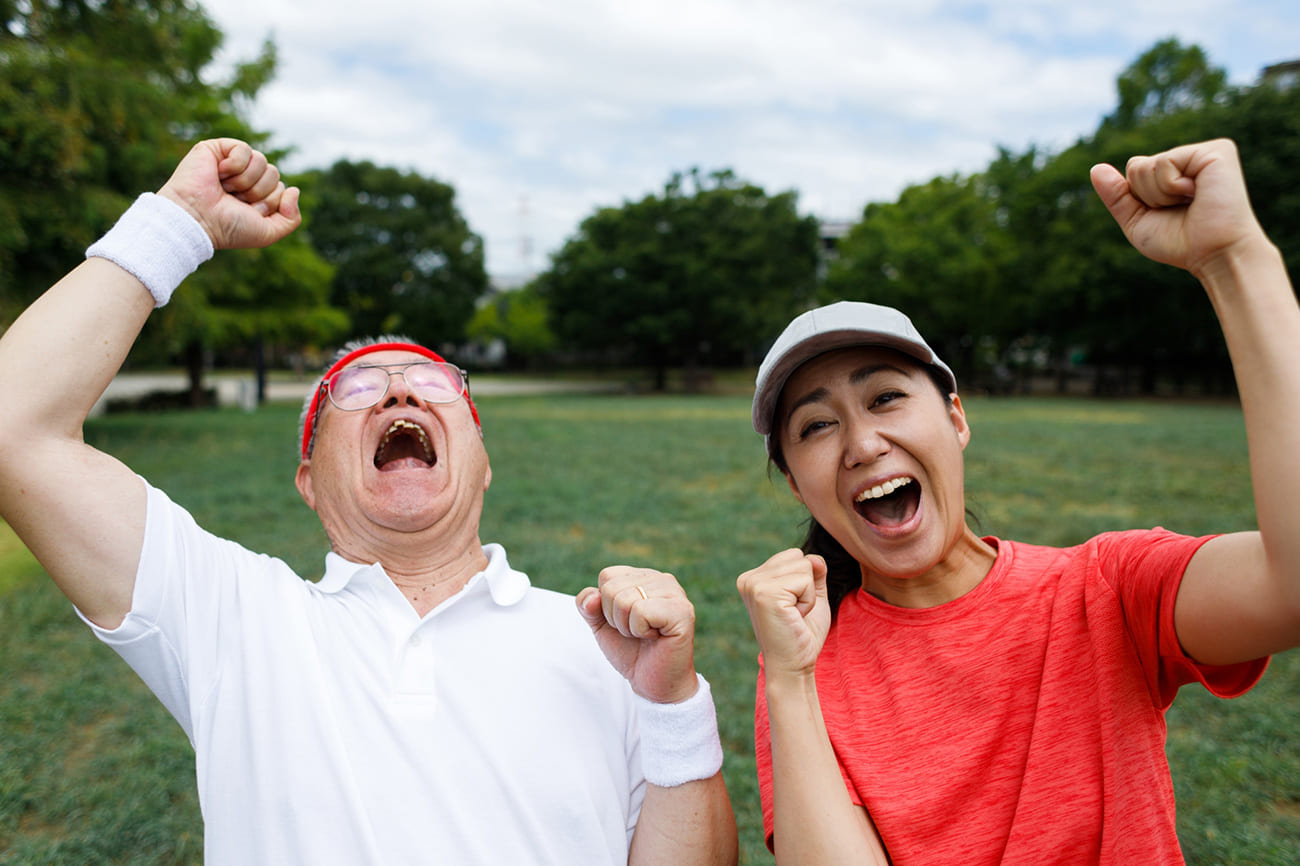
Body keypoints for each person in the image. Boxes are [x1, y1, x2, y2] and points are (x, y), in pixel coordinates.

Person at [0, 139, 737, 865]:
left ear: (483, 466)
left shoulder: (611, 649)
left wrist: (673, 705)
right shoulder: (230, 617)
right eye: (355, 387)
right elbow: (13, 428)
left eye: (437, 381)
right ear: (310, 481)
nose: (400, 390)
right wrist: (178, 221)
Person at [735, 138, 1300, 865]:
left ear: (958, 419)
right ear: (795, 481)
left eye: (885, 398)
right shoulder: (805, 660)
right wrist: (787, 679)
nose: (863, 443)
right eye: (816, 425)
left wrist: (1235, 260)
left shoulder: (1106, 592)